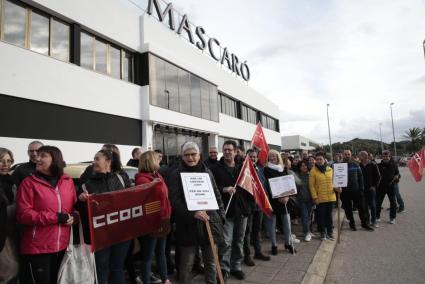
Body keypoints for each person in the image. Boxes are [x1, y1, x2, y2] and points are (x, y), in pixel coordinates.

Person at [16, 146, 77, 284]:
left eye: (43, 155)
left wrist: (75, 217)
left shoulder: (68, 181)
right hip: (37, 248)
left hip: (62, 246)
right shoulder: (28, 183)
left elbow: (73, 207)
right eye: (37, 155)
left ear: (54, 159)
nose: (37, 158)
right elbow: (23, 214)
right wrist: (56, 217)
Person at [168, 141, 225, 284]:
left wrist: (221, 216)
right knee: (186, 264)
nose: (190, 158)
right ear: (182, 156)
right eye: (186, 155)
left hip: (209, 223)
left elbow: (217, 195)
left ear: (199, 155)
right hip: (187, 226)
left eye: (193, 154)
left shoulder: (207, 172)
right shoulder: (176, 174)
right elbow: (175, 201)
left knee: (211, 262)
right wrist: (192, 213)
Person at [77, 149, 133, 284]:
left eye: (97, 159)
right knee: (101, 269)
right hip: (101, 235)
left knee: (117, 268)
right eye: (94, 159)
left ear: (108, 161)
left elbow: (131, 201)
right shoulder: (87, 185)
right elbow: (84, 214)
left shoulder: (121, 178)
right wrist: (82, 201)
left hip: (122, 233)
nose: (94, 162)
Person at [210, 140, 252, 280]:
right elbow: (212, 187)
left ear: (235, 152)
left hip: (242, 210)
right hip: (226, 211)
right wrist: (224, 189)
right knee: (226, 242)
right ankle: (224, 268)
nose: (227, 152)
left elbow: (249, 188)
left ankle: (236, 266)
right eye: (225, 149)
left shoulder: (242, 169)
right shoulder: (216, 168)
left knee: (239, 240)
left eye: (230, 150)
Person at [135, 151, 172, 284]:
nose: (159, 162)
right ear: (150, 161)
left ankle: (165, 278)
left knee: (161, 253)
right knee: (148, 256)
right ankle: (145, 280)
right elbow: (145, 202)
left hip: (163, 220)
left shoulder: (158, 176)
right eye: (157, 160)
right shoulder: (142, 180)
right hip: (151, 223)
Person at [263, 149, 297, 255]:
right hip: (273, 200)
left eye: (274, 156)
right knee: (272, 224)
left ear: (278, 157)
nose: (272, 158)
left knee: (287, 223)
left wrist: (287, 196)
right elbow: (267, 185)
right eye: (270, 156)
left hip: (285, 200)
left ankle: (288, 243)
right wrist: (277, 196)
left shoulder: (283, 169)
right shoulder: (266, 169)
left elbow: (288, 183)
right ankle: (274, 245)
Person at [242, 149, 271, 266]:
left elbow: (264, 187)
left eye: (254, 157)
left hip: (259, 206)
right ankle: (247, 255)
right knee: (247, 232)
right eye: (251, 157)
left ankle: (258, 251)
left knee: (257, 230)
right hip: (248, 206)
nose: (253, 159)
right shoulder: (243, 171)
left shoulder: (261, 170)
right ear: (246, 157)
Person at [340, 150, 373, 231]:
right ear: (343, 155)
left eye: (348, 154)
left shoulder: (356, 164)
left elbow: (360, 176)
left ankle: (364, 224)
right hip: (344, 192)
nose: (347, 155)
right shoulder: (339, 165)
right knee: (348, 209)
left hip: (357, 191)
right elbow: (335, 178)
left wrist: (361, 188)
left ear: (351, 155)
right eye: (345, 154)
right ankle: (352, 224)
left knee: (361, 208)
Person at [309, 152, 339, 240]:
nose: (318, 161)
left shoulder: (330, 169)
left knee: (329, 216)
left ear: (324, 160)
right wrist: (314, 197)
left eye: (320, 159)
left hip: (331, 197)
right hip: (320, 198)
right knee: (321, 216)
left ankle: (330, 232)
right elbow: (311, 186)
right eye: (317, 159)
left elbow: (335, 182)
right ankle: (322, 232)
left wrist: (338, 188)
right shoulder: (313, 171)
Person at [0, 148, 19, 283]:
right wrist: (18, 207)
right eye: (1, 161)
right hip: (2, 235)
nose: (5, 164)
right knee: (9, 270)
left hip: (14, 232)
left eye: (8, 161)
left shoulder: (13, 182)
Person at [358, 151, 381, 228]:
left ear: (365, 156)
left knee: (372, 206)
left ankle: (373, 221)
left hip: (371, 189)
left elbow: (378, 177)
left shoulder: (373, 164)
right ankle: (367, 220)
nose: (358, 157)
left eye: (360, 156)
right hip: (362, 189)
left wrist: (374, 186)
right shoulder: (359, 165)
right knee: (364, 206)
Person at [376, 150, 399, 224]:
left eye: (387, 156)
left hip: (391, 187)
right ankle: (377, 217)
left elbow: (398, 174)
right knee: (378, 203)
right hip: (380, 187)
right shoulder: (378, 165)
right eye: (384, 156)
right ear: (382, 157)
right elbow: (375, 176)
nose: (385, 157)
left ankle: (392, 218)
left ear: (390, 157)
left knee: (393, 203)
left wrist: (397, 177)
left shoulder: (394, 165)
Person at [297, 160, 314, 241]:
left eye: (305, 165)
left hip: (310, 200)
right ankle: (307, 233)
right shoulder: (297, 176)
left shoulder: (311, 175)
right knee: (304, 217)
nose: (304, 167)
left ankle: (307, 231)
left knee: (309, 217)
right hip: (302, 200)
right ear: (299, 167)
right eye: (302, 166)